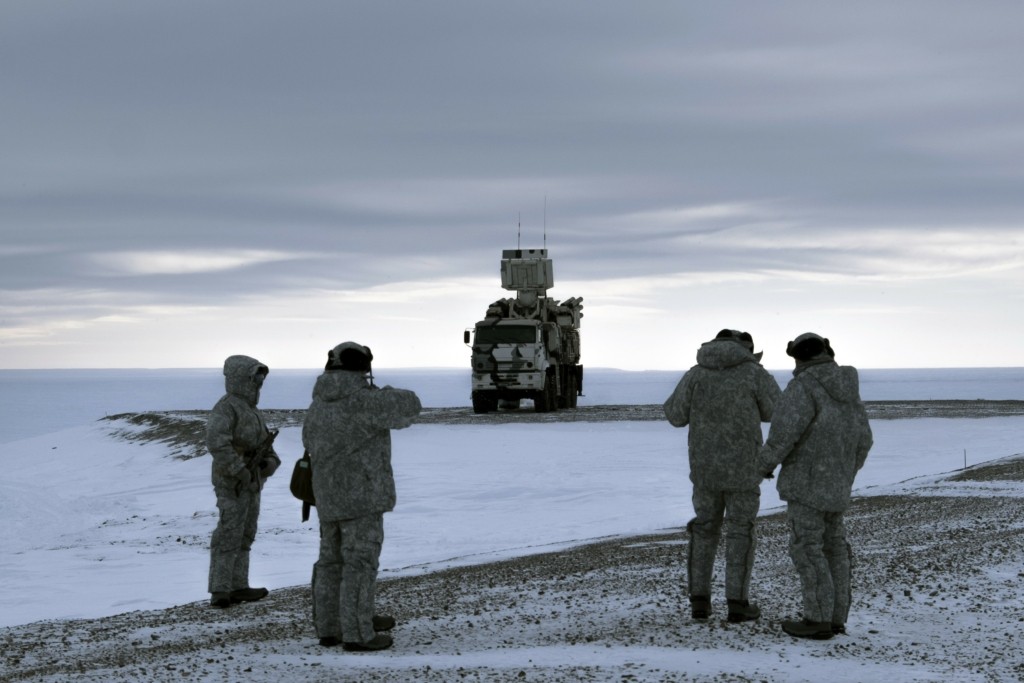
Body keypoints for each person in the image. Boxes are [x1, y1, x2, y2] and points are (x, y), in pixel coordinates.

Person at [303, 342, 422, 652]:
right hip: (362, 496)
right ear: (363, 367)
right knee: (360, 562)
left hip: (327, 494)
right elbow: (410, 406)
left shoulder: (319, 403)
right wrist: (381, 391)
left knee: (331, 562)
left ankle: (330, 627)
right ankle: (357, 632)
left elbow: (308, 440)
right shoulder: (364, 400)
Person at [756, 332, 873, 640]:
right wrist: (845, 473)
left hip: (806, 484)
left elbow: (782, 436)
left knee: (807, 548)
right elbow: (864, 439)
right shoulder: (848, 390)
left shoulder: (803, 387)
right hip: (836, 485)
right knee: (834, 548)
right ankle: (835, 618)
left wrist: (762, 467)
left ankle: (817, 619)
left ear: (798, 358)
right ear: (827, 352)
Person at [663, 329, 781, 623]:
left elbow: (675, 415)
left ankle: (699, 601)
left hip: (705, 468)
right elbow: (775, 411)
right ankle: (737, 603)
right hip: (744, 468)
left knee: (704, 530)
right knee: (741, 531)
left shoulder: (696, 374)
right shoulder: (754, 374)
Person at [206, 354, 281, 608]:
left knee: (246, 534)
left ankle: (238, 586)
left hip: (253, 483)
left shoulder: (252, 411)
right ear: (241, 378)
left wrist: (270, 463)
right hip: (232, 483)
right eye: (255, 377)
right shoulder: (226, 408)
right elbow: (217, 443)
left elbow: (265, 444)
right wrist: (240, 470)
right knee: (229, 533)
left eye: (260, 377)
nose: (259, 382)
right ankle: (220, 589)